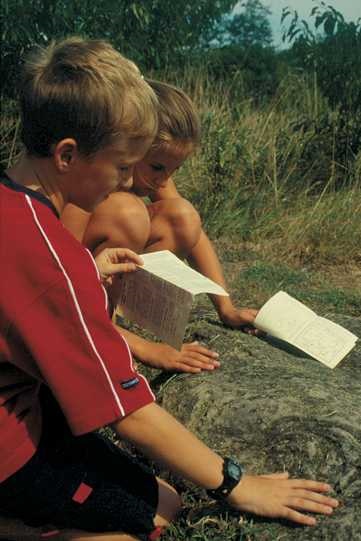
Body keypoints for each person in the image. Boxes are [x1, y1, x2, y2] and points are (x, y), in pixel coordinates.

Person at [0, 37, 339, 541]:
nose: (124, 180)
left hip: (20, 406)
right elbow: (125, 409)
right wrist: (236, 484)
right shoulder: (51, 256)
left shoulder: (17, 209)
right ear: (69, 155)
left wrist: (87, 277)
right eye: (120, 167)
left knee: (159, 496)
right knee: (159, 513)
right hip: (10, 451)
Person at [61, 80, 258, 374]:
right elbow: (58, 279)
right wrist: (146, 349)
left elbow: (193, 234)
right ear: (132, 142)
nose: (163, 180)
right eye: (157, 167)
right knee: (129, 212)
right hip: (70, 285)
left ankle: (114, 313)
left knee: (184, 217)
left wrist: (226, 308)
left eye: (173, 170)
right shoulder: (87, 182)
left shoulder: (154, 171)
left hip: (103, 274)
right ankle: (106, 329)